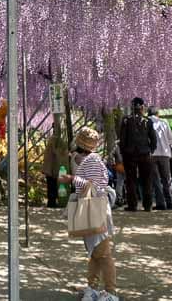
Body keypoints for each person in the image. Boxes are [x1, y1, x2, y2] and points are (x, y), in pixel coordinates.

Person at [58, 127, 118, 301]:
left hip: (96, 209)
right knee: (94, 253)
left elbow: (92, 186)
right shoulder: (88, 159)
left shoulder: (91, 160)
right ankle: (92, 288)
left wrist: (70, 179)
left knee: (104, 253)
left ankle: (111, 292)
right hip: (91, 208)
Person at [118, 97, 156, 211]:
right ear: (142, 107)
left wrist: (123, 151)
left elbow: (122, 138)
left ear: (132, 107)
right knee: (147, 180)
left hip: (130, 154)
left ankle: (132, 205)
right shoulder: (147, 121)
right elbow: (153, 139)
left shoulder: (126, 120)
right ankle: (148, 205)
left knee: (131, 179)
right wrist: (151, 150)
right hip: (145, 153)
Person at [148, 107, 172, 210]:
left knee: (156, 180)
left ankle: (161, 203)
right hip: (165, 154)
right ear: (157, 113)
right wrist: (164, 143)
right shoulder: (164, 122)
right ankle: (170, 203)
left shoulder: (146, 122)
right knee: (167, 179)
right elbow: (171, 139)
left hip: (152, 154)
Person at [42, 129, 69, 208]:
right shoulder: (54, 141)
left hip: (49, 168)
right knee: (52, 186)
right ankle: (52, 203)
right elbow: (56, 153)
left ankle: (52, 202)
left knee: (51, 186)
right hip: (51, 169)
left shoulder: (52, 141)